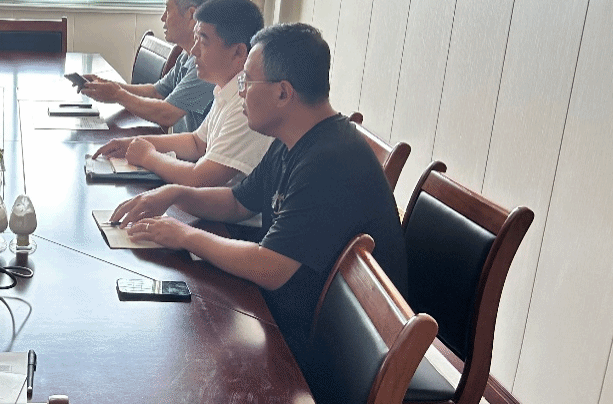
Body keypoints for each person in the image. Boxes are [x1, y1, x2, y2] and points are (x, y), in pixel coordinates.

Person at [109, 22, 408, 356]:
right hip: (293, 314)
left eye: (247, 81)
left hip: (330, 349)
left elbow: (271, 267)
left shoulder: (330, 160)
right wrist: (175, 194)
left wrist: (185, 235)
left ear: (283, 93)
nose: (240, 91)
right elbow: (238, 202)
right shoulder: (293, 137)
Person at [94, 0, 271, 188]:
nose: (194, 51)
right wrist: (133, 142)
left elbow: (199, 178)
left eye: (203, 42)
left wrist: (147, 155)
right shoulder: (226, 88)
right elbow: (196, 143)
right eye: (195, 40)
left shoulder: (247, 104)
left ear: (238, 52)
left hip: (220, 205)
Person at [81, 0, 217, 133]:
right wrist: (108, 86)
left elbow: (167, 114)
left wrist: (117, 95)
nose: (163, 18)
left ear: (191, 14)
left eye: (168, 10)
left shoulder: (206, 63)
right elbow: (156, 92)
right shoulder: (185, 56)